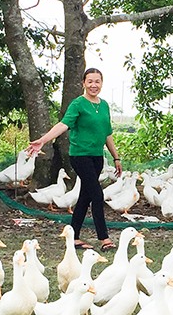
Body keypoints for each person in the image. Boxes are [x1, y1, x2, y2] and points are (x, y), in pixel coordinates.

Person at [27, 68, 122, 250]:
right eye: (90, 81)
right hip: (80, 156)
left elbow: (107, 134)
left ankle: (74, 236)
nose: (94, 85)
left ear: (102, 83)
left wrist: (116, 157)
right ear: (83, 83)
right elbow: (63, 124)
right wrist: (43, 140)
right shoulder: (78, 104)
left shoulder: (104, 106)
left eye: (97, 81)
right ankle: (104, 239)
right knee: (97, 194)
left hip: (97, 157)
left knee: (85, 197)